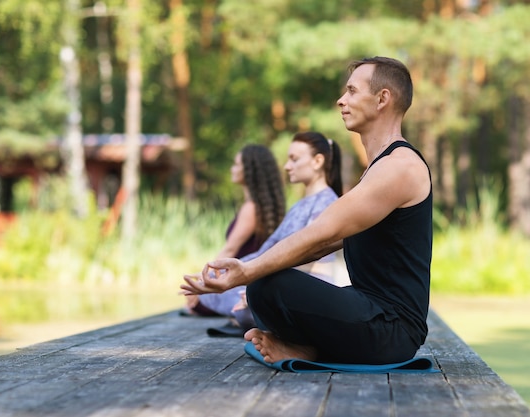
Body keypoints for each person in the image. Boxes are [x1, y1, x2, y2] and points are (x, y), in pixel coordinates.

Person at [181, 56, 432, 365]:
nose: (341, 100)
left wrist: (248, 271)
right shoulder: (379, 169)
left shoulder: (400, 166)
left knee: (266, 284)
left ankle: (308, 348)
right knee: (264, 284)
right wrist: (253, 272)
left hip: (392, 330)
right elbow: (323, 245)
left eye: (352, 91)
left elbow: (323, 232)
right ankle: (305, 348)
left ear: (382, 99)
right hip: (370, 314)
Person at [191, 131, 344, 329]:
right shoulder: (298, 206)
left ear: (317, 161)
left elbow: (308, 258)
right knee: (214, 291)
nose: (287, 166)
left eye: (294, 159)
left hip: (305, 286)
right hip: (279, 279)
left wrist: (263, 287)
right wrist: (217, 275)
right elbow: (266, 251)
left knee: (242, 303)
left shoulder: (328, 203)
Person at [180, 144, 286, 316]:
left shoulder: (251, 208)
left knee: (195, 301)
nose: (232, 169)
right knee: (194, 301)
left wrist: (203, 281)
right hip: (247, 281)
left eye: (237, 164)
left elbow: (230, 249)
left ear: (250, 171)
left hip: (239, 284)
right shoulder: (261, 207)